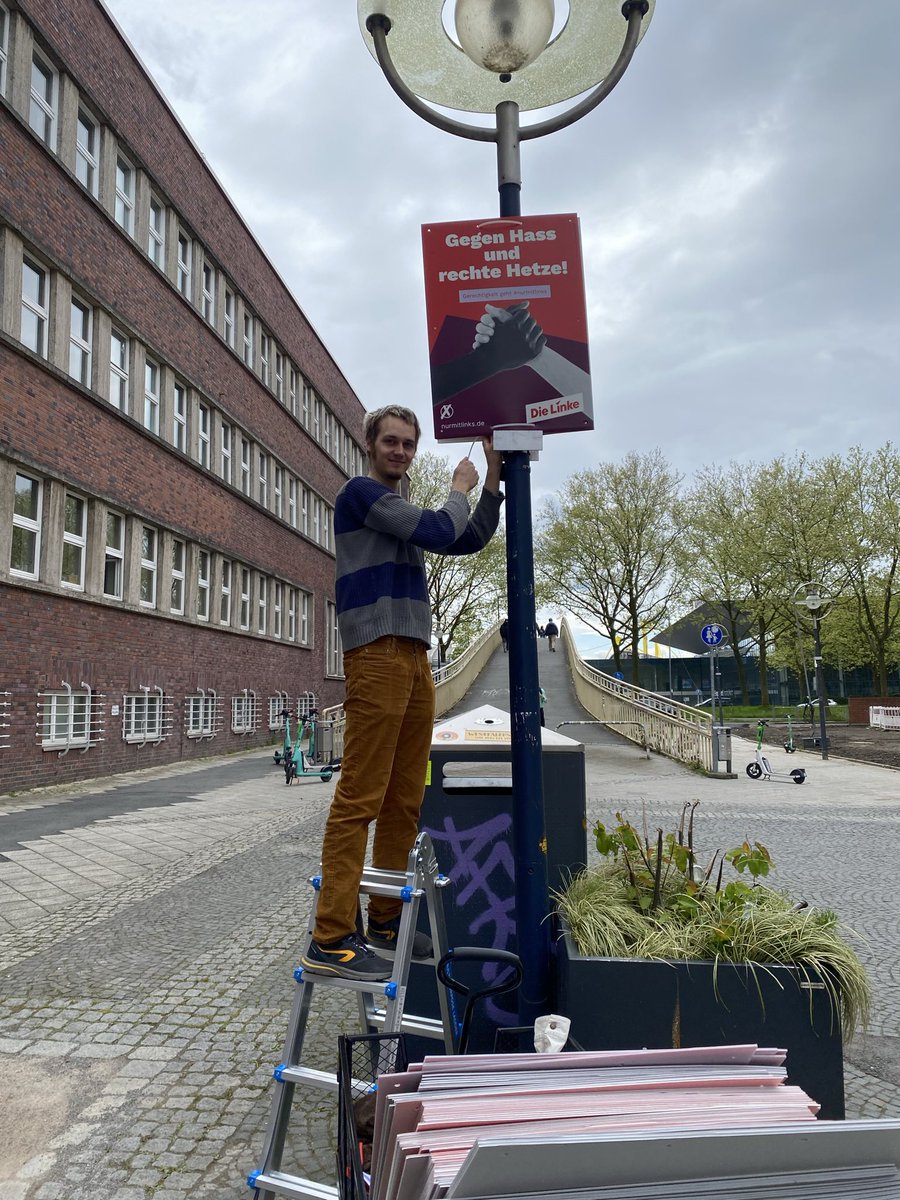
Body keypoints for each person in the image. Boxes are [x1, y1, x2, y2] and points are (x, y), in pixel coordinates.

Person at [301, 404, 504, 982]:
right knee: (360, 796)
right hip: (377, 652)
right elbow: (441, 528)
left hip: (415, 656)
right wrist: (459, 487)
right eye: (391, 441)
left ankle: (386, 920)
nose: (401, 451)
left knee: (404, 798)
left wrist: (492, 478)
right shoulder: (361, 494)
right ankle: (331, 936)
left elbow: (466, 538)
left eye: (409, 444)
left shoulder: (401, 510)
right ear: (370, 444)